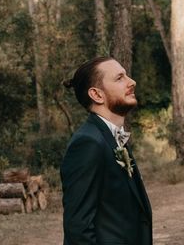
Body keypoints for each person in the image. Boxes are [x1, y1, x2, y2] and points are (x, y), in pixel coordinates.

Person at [60, 57, 152, 245]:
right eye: (119, 78)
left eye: (126, 76)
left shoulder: (112, 137)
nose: (132, 82)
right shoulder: (88, 143)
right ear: (97, 95)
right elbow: (78, 227)